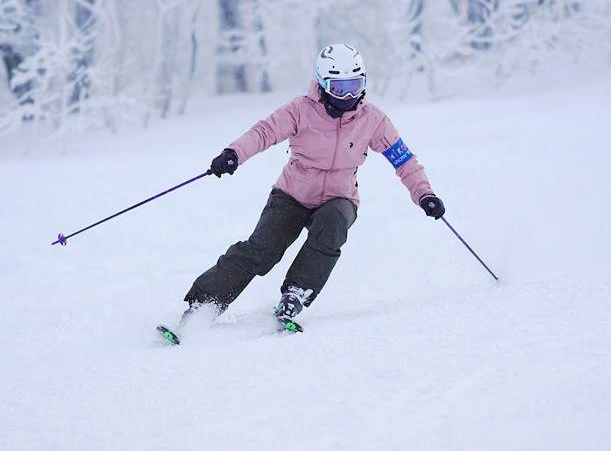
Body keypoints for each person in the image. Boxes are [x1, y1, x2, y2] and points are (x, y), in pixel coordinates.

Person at [183, 43, 445, 330]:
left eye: (355, 85)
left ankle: (297, 292)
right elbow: (263, 133)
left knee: (332, 224)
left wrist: (425, 194)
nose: (349, 95)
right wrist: (234, 154)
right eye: (340, 86)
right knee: (262, 249)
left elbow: (404, 160)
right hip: (292, 194)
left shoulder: (373, 120)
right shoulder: (300, 110)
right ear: (322, 84)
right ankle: (203, 305)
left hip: (339, 197)